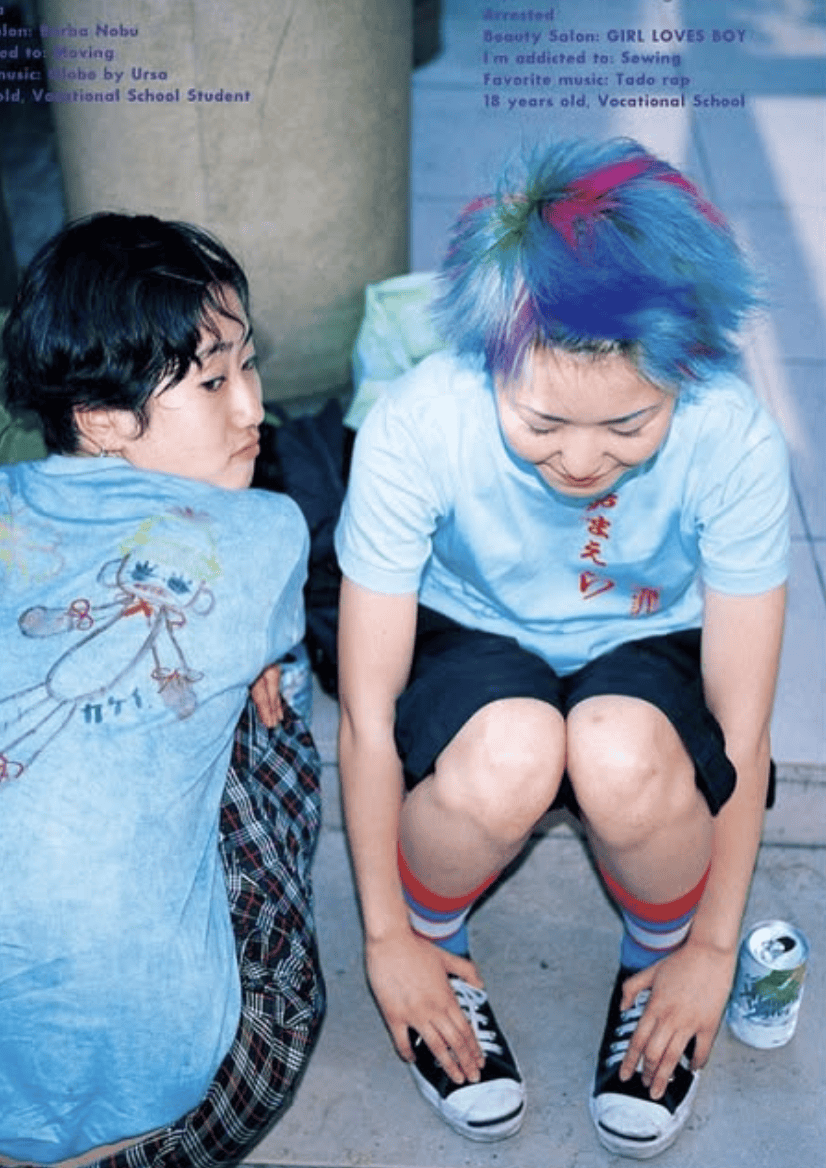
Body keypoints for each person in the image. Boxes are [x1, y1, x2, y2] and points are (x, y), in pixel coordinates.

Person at [335, 139, 789, 1159]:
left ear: (685, 372)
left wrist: (711, 950)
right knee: (513, 752)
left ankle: (652, 963)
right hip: (473, 627)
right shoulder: (419, 423)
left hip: (649, 635)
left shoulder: (733, 435)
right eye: (541, 422)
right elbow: (364, 714)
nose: (582, 460)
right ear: (492, 358)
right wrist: (389, 939)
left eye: (629, 424)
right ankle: (442, 954)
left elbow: (744, 728)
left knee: (620, 752)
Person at [0, 215, 325, 1167]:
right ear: (100, 417)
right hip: (185, 1104)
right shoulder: (266, 532)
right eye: (213, 382)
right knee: (272, 715)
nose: (254, 408)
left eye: (250, 364)